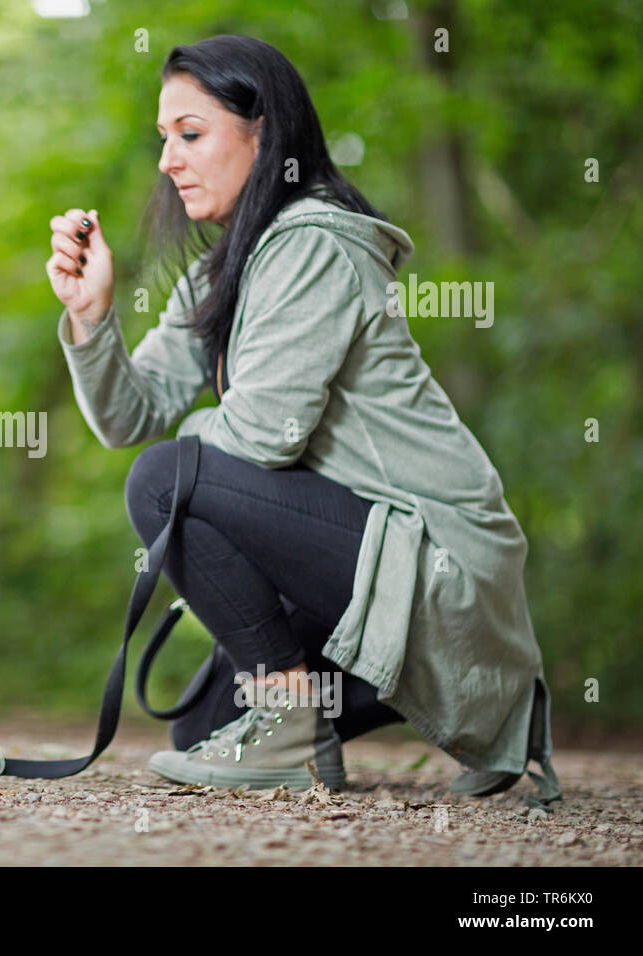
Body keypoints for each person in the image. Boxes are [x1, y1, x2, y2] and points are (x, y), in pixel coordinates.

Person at [46, 35, 560, 804]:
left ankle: (310, 715)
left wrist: (186, 469)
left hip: (434, 556)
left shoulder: (315, 244)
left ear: (265, 131)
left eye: (191, 134)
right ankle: (382, 695)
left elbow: (261, 437)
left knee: (166, 477)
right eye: (164, 139)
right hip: (363, 554)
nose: (168, 161)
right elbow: (131, 413)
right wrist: (92, 318)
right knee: (202, 726)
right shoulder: (221, 272)